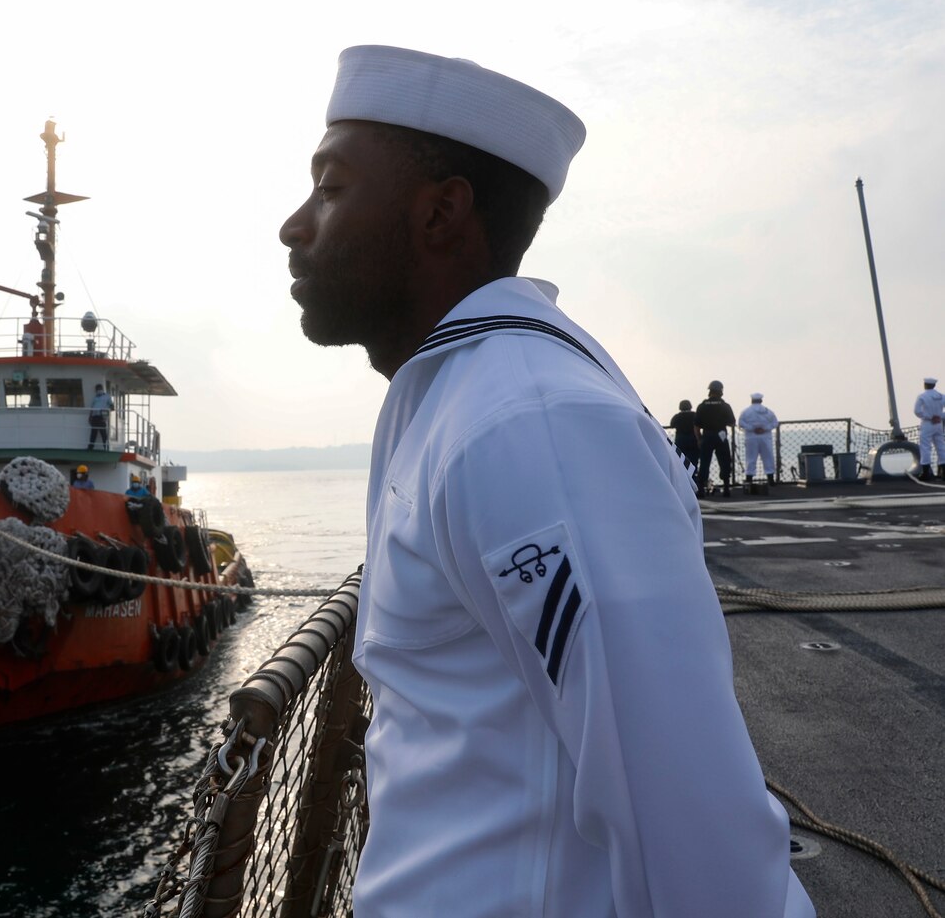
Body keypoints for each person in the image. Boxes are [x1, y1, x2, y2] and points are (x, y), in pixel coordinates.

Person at [279, 45, 812, 917]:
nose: (296, 224)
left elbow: (686, 812)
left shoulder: (527, 426)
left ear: (441, 213)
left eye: (331, 188)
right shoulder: (451, 400)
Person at [695, 380, 736, 497]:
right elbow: (732, 423)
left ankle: (701, 489)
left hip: (707, 436)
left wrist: (699, 439)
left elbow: (697, 426)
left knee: (704, 462)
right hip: (721, 436)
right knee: (725, 461)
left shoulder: (702, 406)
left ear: (710, 391)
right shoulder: (725, 406)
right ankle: (726, 487)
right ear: (721, 392)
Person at [738, 392, 780, 484]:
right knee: (768, 457)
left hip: (751, 437)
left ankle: (749, 478)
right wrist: (764, 428)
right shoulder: (768, 411)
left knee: (751, 458)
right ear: (761, 400)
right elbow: (775, 423)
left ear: (752, 400)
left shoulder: (746, 412)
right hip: (765, 436)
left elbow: (741, 423)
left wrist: (752, 428)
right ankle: (770, 478)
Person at [914, 377, 944, 480]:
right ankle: (943, 471)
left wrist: (929, 417)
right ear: (934, 385)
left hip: (927, 423)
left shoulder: (922, 397)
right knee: (940, 446)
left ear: (925, 385)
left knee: (925, 447)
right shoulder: (941, 396)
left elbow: (917, 411)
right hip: (938, 424)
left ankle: (926, 472)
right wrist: (940, 416)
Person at [668, 398, 700, 471]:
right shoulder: (695, 415)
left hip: (681, 439)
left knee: (680, 459)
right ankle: (694, 476)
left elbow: (672, 424)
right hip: (693, 439)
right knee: (693, 460)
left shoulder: (677, 416)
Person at [87, 383, 113, 450]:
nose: (98, 390)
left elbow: (112, 406)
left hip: (102, 416)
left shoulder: (107, 396)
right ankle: (90, 447)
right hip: (95, 416)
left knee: (103, 432)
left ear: (102, 389)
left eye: (99, 389)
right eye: (97, 389)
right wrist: (90, 416)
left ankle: (106, 447)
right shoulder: (95, 397)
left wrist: (106, 414)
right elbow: (92, 407)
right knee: (93, 432)